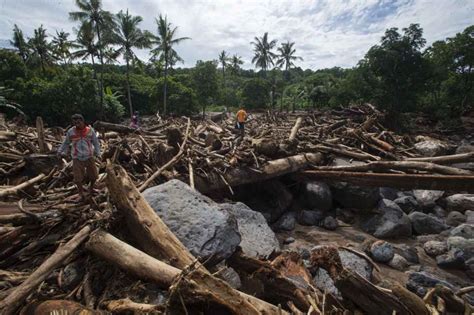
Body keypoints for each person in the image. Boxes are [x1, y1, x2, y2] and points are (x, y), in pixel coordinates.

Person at [58, 114, 101, 201]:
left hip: (89, 156)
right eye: (75, 122)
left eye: (78, 122)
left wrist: (98, 153)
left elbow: (96, 142)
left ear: (83, 121)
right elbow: (66, 143)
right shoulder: (71, 132)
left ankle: (91, 189)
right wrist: (60, 151)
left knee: (94, 176)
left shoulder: (90, 131)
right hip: (77, 157)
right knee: (78, 178)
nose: (77, 124)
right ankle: (81, 193)